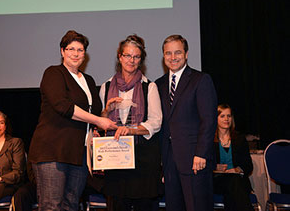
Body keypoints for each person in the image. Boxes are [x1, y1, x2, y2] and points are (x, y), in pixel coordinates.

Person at [28, 30, 117, 211]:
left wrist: (106, 113)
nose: (76, 54)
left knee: (71, 205)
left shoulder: (89, 80)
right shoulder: (54, 73)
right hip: (53, 151)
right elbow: (64, 107)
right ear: (62, 51)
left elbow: (92, 115)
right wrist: (99, 121)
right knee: (52, 206)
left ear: (85, 54)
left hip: (79, 154)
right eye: (71, 49)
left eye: (80, 50)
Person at [99, 34, 162, 211]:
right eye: (127, 55)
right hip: (116, 158)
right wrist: (107, 111)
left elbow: (156, 122)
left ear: (141, 60)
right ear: (120, 56)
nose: (131, 60)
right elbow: (101, 122)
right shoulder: (106, 87)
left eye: (136, 56)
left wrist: (130, 130)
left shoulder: (149, 87)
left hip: (144, 161)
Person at [155, 35, 217, 211]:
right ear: (163, 56)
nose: (173, 57)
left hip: (194, 160)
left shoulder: (201, 80)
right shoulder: (158, 85)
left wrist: (201, 153)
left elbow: (209, 120)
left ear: (186, 54)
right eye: (168, 53)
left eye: (177, 52)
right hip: (169, 162)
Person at [213, 104, 254, 211]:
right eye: (222, 116)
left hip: (237, 181)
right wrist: (215, 168)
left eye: (229, 116)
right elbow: (204, 164)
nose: (226, 119)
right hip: (217, 182)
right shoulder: (209, 141)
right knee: (233, 185)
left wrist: (237, 169)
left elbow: (248, 166)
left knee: (234, 183)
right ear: (215, 118)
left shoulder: (240, 139)